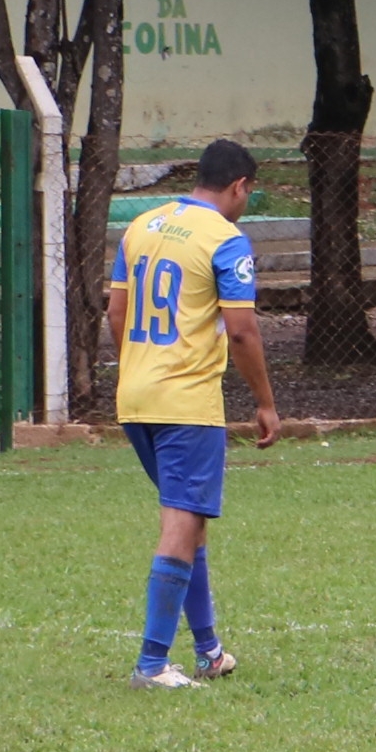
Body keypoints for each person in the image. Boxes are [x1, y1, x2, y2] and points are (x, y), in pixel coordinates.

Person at [108, 138, 279, 690]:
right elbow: (243, 331)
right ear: (239, 186)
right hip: (186, 403)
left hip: (136, 396)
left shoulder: (142, 226)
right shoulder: (225, 239)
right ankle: (152, 664)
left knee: (191, 519)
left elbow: (116, 312)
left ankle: (209, 651)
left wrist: (143, 365)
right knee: (181, 524)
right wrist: (265, 402)